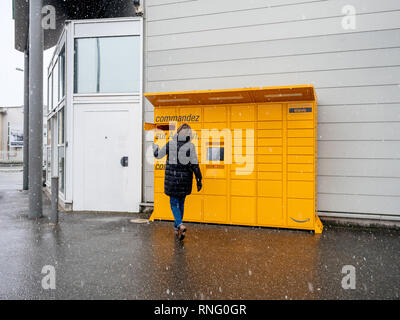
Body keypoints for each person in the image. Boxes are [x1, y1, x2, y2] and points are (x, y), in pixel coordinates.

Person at [153, 123, 202, 240]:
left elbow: (158, 155)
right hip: (185, 181)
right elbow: (195, 165)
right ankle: (177, 230)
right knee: (180, 204)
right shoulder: (190, 146)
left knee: (174, 204)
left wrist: (155, 148)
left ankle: (180, 224)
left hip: (173, 181)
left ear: (178, 132)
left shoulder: (171, 144)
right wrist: (199, 180)